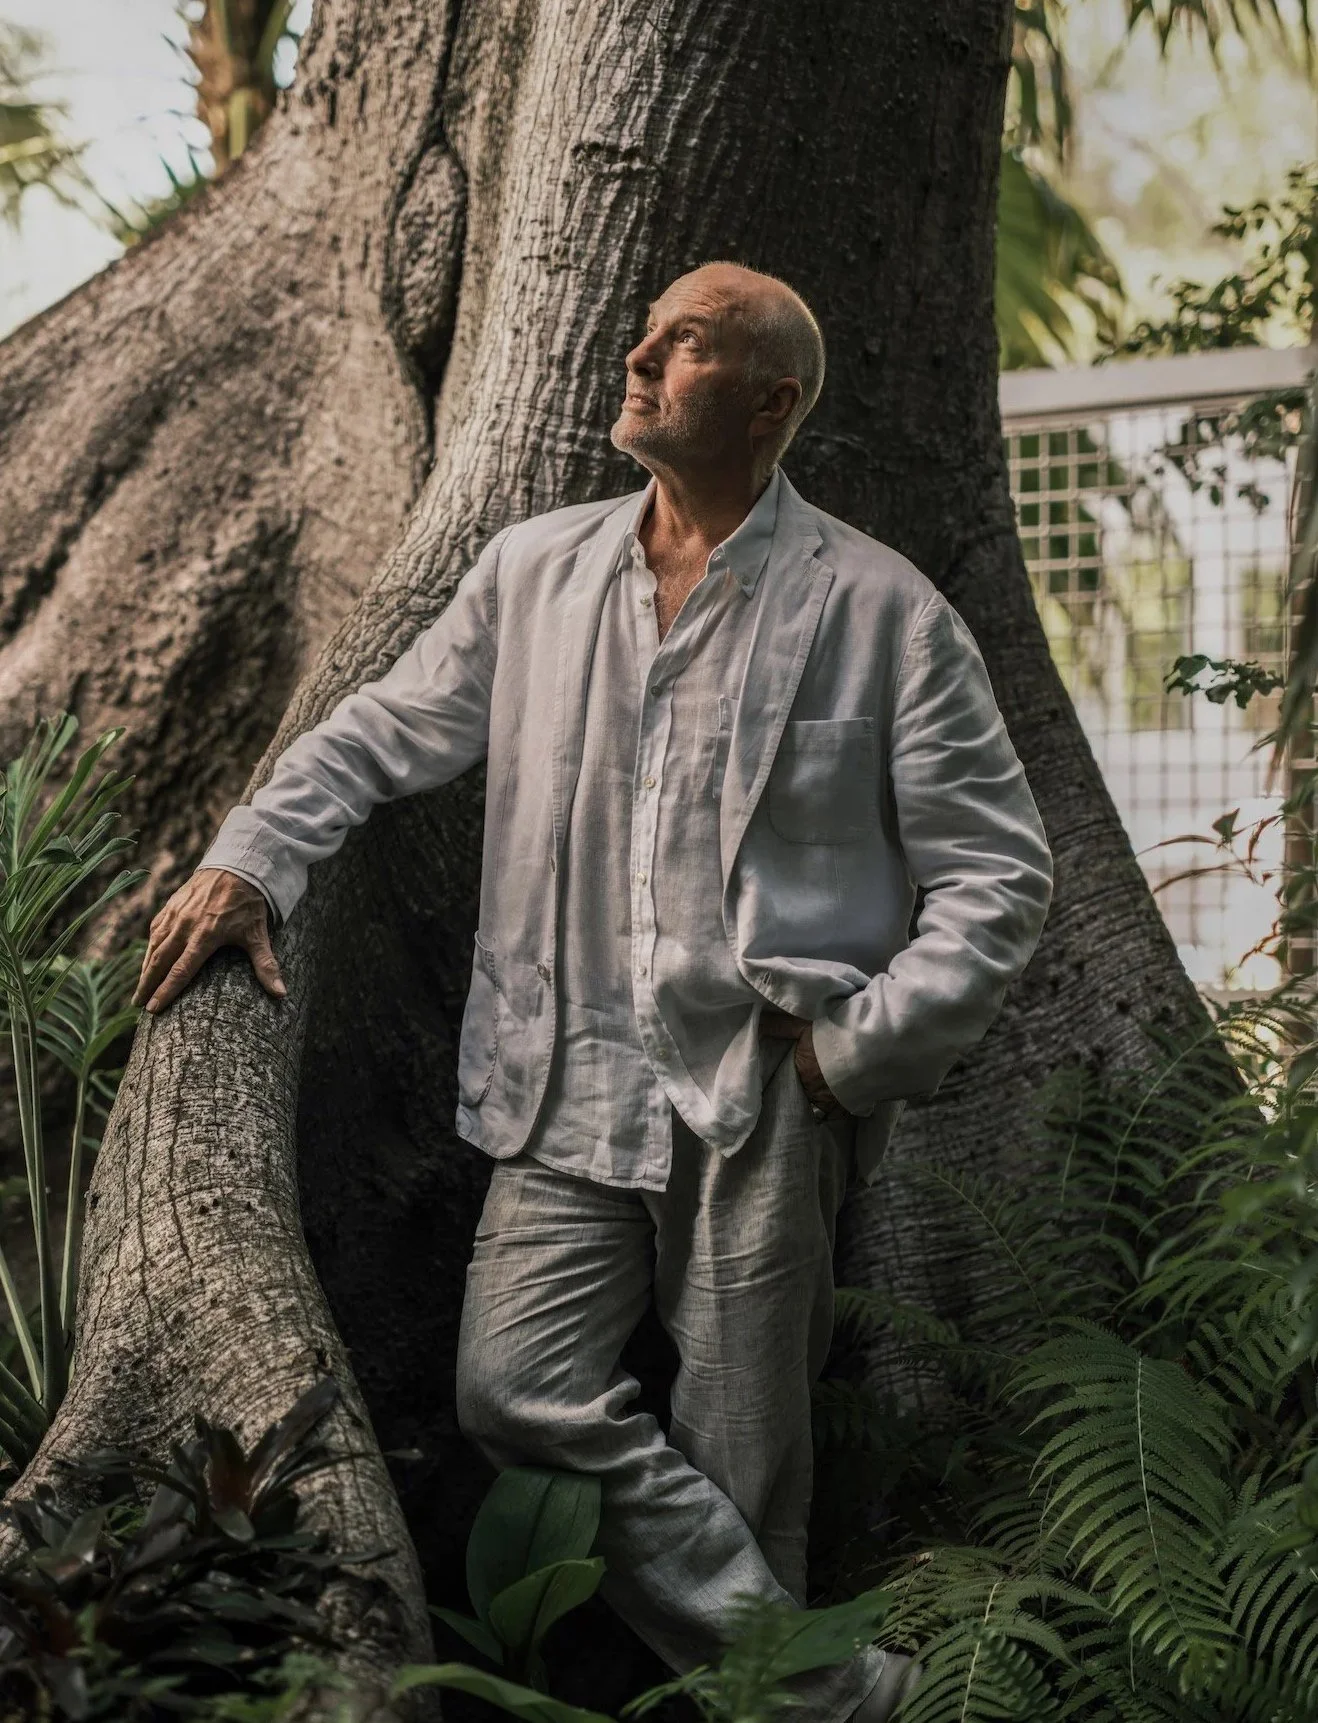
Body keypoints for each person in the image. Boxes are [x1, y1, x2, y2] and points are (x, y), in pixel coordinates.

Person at [135, 261, 1053, 1721]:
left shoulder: (884, 609)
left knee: (747, 1467)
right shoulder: (533, 572)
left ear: (771, 402)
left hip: (761, 1092)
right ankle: (846, 1702)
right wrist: (253, 855)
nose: (635, 357)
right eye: (645, 334)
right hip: (561, 1079)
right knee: (512, 1389)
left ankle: (761, 1704)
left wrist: (852, 1055)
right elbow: (376, 732)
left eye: (683, 345)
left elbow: (999, 874)